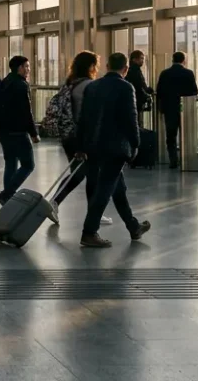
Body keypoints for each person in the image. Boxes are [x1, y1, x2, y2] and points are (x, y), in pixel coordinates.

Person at [76, 52, 151, 248]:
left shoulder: (92, 86)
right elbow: (131, 119)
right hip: (115, 147)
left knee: (119, 189)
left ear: (107, 66)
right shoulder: (126, 87)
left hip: (93, 145)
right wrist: (135, 144)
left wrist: (80, 146)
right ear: (125, 69)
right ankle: (89, 232)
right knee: (106, 188)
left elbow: (83, 119)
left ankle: (133, 227)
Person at [49, 51, 111, 228]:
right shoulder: (89, 86)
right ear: (91, 66)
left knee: (90, 175)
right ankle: (55, 202)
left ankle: (94, 214)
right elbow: (92, 115)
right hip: (82, 137)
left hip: (69, 135)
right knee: (81, 173)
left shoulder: (70, 83)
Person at [0, 56, 39, 205]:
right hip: (17, 131)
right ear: (20, 68)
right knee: (28, 164)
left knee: (11, 163)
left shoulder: (6, 81)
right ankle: (7, 194)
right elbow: (26, 111)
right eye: (26, 66)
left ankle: (8, 198)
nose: (28, 69)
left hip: (2, 130)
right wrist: (33, 133)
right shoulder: (21, 85)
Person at [156, 51, 198, 169]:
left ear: (172, 59)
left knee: (171, 135)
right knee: (186, 134)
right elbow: (194, 91)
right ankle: (186, 160)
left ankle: (173, 160)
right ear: (183, 60)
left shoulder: (164, 73)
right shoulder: (188, 73)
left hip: (169, 108)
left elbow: (159, 92)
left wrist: (161, 108)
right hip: (185, 108)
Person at [126, 50, 153, 121]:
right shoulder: (135, 71)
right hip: (136, 101)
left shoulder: (132, 71)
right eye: (141, 58)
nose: (142, 61)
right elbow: (139, 85)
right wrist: (147, 91)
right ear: (134, 59)